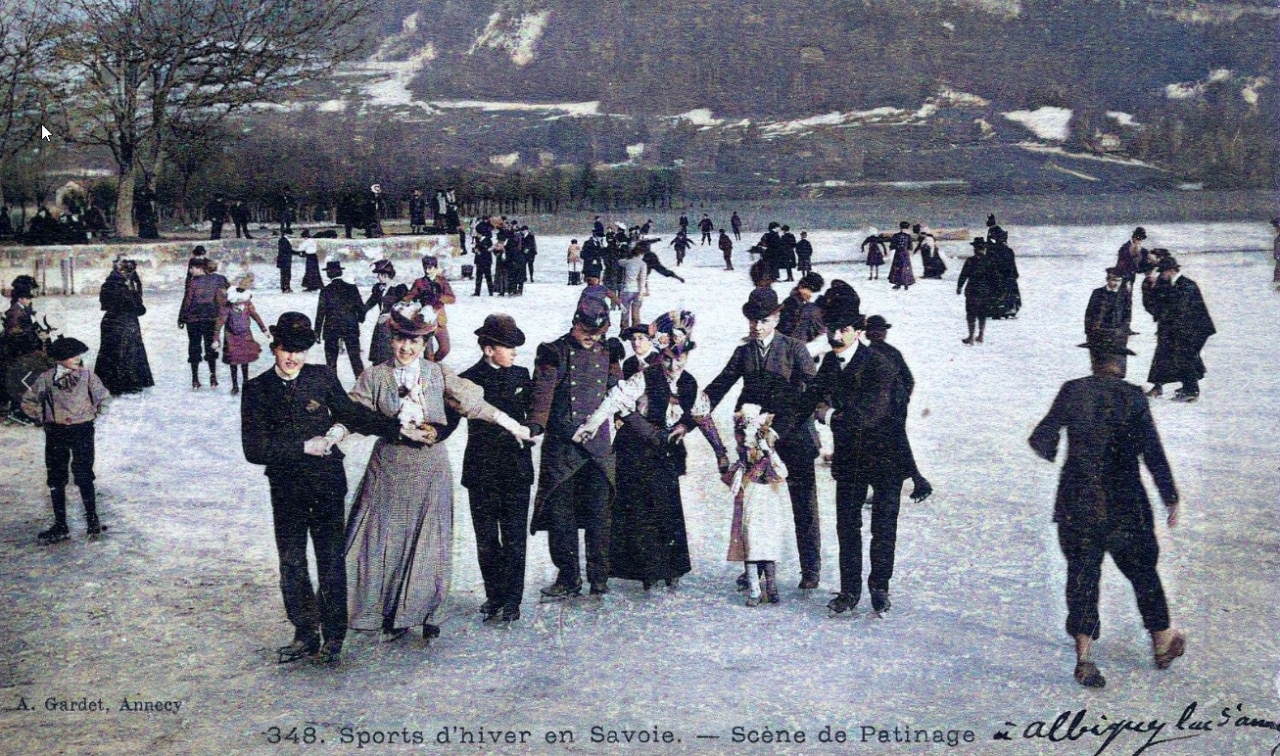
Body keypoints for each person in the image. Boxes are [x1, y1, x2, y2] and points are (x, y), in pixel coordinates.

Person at [345, 307, 533, 641]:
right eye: (401, 339)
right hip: (388, 470)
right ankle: (379, 610)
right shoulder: (374, 376)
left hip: (430, 470)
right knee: (384, 539)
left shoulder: (438, 374)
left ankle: (419, 611)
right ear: (392, 339)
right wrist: (339, 435)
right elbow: (352, 415)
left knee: (428, 542)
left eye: (415, 341)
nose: (407, 348)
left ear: (425, 342)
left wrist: (513, 426)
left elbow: (476, 407)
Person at [240, 312, 409, 666]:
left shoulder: (321, 377)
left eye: (300, 350)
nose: (293, 358)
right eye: (287, 349)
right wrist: (304, 446)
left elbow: (352, 414)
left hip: (327, 484)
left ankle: (333, 635)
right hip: (285, 487)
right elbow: (254, 449)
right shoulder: (257, 389)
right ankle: (304, 632)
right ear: (275, 348)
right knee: (292, 561)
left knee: (330, 559)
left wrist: (395, 428)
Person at [1029, 333, 1185, 689]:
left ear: (1093, 361)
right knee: (1143, 573)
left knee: (1083, 576)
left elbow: (1041, 438)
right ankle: (1162, 641)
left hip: (1077, 503)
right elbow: (1152, 451)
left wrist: (1062, 452)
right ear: (1122, 364)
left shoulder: (1072, 390)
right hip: (1124, 504)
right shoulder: (1132, 396)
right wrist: (1170, 496)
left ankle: (1084, 657)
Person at [575, 310, 727, 592]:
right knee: (638, 510)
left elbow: (703, 415)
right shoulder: (646, 377)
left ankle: (670, 569)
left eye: (679, 358)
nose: (672, 364)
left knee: (667, 508)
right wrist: (593, 424)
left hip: (665, 455)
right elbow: (615, 399)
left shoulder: (689, 383)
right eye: (668, 357)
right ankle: (644, 571)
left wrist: (720, 451)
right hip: (634, 452)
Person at [704, 287, 821, 592]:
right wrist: (692, 413)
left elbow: (814, 390)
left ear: (778, 317)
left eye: (764, 320)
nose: (757, 326)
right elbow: (720, 385)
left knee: (803, 506)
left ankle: (810, 570)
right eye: (753, 320)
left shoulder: (795, 349)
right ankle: (754, 570)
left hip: (794, 437)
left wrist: (807, 418)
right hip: (756, 445)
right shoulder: (744, 352)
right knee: (754, 510)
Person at [805, 302, 900, 617]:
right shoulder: (831, 362)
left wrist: (828, 413)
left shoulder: (879, 364)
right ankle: (849, 591)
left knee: (883, 527)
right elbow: (809, 397)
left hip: (885, 456)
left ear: (859, 332)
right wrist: (773, 429)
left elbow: (866, 416)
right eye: (831, 329)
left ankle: (879, 588)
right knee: (847, 526)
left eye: (843, 330)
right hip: (850, 458)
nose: (835, 335)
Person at [528, 298, 621, 600]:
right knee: (561, 516)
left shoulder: (610, 352)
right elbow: (543, 397)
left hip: (599, 447)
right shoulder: (553, 352)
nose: (590, 338)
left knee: (599, 515)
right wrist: (536, 427)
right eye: (585, 331)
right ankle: (568, 578)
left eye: (596, 334)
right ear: (574, 322)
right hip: (563, 446)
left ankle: (599, 577)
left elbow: (616, 393)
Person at [459, 314, 536, 623]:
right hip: (482, 471)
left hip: (517, 469)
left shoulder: (521, 375)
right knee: (487, 538)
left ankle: (513, 600)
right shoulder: (467, 380)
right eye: (509, 347)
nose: (515, 353)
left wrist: (531, 428)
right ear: (489, 349)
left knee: (516, 538)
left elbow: (533, 412)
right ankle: (495, 595)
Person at [22, 337, 109, 543]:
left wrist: (93, 415)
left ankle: (92, 519)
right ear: (60, 359)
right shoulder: (46, 378)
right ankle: (60, 524)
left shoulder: (88, 376)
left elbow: (103, 398)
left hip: (82, 430)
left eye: (79, 354)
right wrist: (43, 417)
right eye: (72, 356)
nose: (77, 359)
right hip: (56, 432)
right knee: (56, 476)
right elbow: (28, 401)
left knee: (84, 473)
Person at [863, 315, 933, 504]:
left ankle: (913, 483)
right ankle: (917, 481)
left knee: (883, 449)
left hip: (881, 411)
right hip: (895, 407)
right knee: (897, 445)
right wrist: (901, 401)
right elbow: (909, 379)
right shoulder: (893, 352)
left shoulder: (868, 354)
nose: (876, 333)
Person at [1142, 256, 1215, 401]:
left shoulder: (1187, 285)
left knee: (1186, 357)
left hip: (1195, 329)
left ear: (1170, 271)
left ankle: (1191, 391)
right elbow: (1155, 307)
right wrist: (1150, 288)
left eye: (1162, 272)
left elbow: (1178, 310)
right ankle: (1161, 387)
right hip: (1178, 329)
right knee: (1165, 355)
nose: (1161, 275)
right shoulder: (1168, 284)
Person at [96, 258, 153, 396]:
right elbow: (139, 308)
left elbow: (104, 305)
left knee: (109, 351)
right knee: (128, 352)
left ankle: (108, 381)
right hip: (126, 322)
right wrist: (136, 289)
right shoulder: (125, 287)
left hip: (109, 320)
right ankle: (128, 383)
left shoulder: (107, 284)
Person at [178, 258, 229, 389]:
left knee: (194, 347)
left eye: (192, 268)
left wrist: (181, 317)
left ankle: (195, 379)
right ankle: (213, 377)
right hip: (211, 318)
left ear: (200, 268)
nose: (190, 271)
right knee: (210, 347)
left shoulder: (193, 282)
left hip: (193, 319)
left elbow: (188, 301)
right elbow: (227, 294)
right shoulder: (219, 279)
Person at [216, 276, 269, 395]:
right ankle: (235, 385)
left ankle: (246, 382)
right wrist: (216, 338)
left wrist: (264, 330)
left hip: (245, 335)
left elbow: (256, 317)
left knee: (245, 360)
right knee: (233, 361)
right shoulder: (227, 308)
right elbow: (220, 322)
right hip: (231, 336)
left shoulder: (248, 305)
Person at [315, 260, 366, 380]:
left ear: (328, 274)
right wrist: (360, 318)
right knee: (355, 359)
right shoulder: (352, 288)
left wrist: (317, 332)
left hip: (331, 328)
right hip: (350, 327)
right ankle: (362, 384)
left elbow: (320, 313)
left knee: (331, 361)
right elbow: (361, 309)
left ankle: (333, 388)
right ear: (340, 273)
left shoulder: (325, 290)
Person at [407, 256, 455, 361]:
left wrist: (438, 297)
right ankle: (430, 369)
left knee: (445, 348)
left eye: (430, 268)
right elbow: (409, 297)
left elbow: (452, 298)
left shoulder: (442, 281)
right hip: (425, 321)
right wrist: (416, 299)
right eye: (425, 268)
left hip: (439, 320)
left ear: (436, 268)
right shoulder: (419, 282)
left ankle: (433, 364)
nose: (427, 271)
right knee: (428, 353)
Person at [1084, 267, 1132, 368]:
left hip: (1115, 332)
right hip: (1098, 331)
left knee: (1116, 359)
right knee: (1098, 358)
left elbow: (1127, 315)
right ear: (1107, 279)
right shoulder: (1097, 293)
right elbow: (1089, 313)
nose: (1114, 283)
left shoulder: (1124, 295)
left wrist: (1123, 331)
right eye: (1112, 279)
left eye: (1118, 280)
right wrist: (1088, 331)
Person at [365, 260, 408, 366]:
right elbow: (370, 303)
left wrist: (390, 315)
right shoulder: (378, 288)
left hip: (395, 325)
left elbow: (405, 306)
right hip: (381, 325)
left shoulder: (400, 288)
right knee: (379, 355)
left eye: (378, 274)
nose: (377, 277)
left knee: (392, 354)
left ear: (385, 275)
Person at [956, 237, 998, 345]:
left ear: (974, 248)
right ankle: (980, 335)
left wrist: (959, 287)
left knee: (971, 314)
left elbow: (963, 275)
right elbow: (995, 278)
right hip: (985, 291)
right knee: (982, 314)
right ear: (984, 248)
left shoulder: (970, 261)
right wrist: (995, 291)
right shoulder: (989, 261)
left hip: (972, 291)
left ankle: (971, 337)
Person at [777, 272, 826, 345]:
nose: (810, 294)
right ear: (801, 288)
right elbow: (786, 327)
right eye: (809, 290)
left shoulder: (802, 302)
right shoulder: (793, 302)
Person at [617, 245, 648, 331]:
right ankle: (635, 330)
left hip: (626, 290)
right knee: (636, 313)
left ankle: (624, 330)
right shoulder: (643, 264)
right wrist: (642, 293)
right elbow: (642, 280)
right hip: (637, 291)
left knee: (625, 312)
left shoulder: (626, 262)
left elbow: (619, 262)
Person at [887, 221, 915, 291]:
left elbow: (892, 246)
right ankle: (906, 283)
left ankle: (898, 284)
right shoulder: (908, 236)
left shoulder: (896, 235)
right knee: (905, 268)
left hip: (898, 254)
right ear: (907, 228)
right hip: (905, 254)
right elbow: (910, 247)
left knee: (897, 268)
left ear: (900, 227)